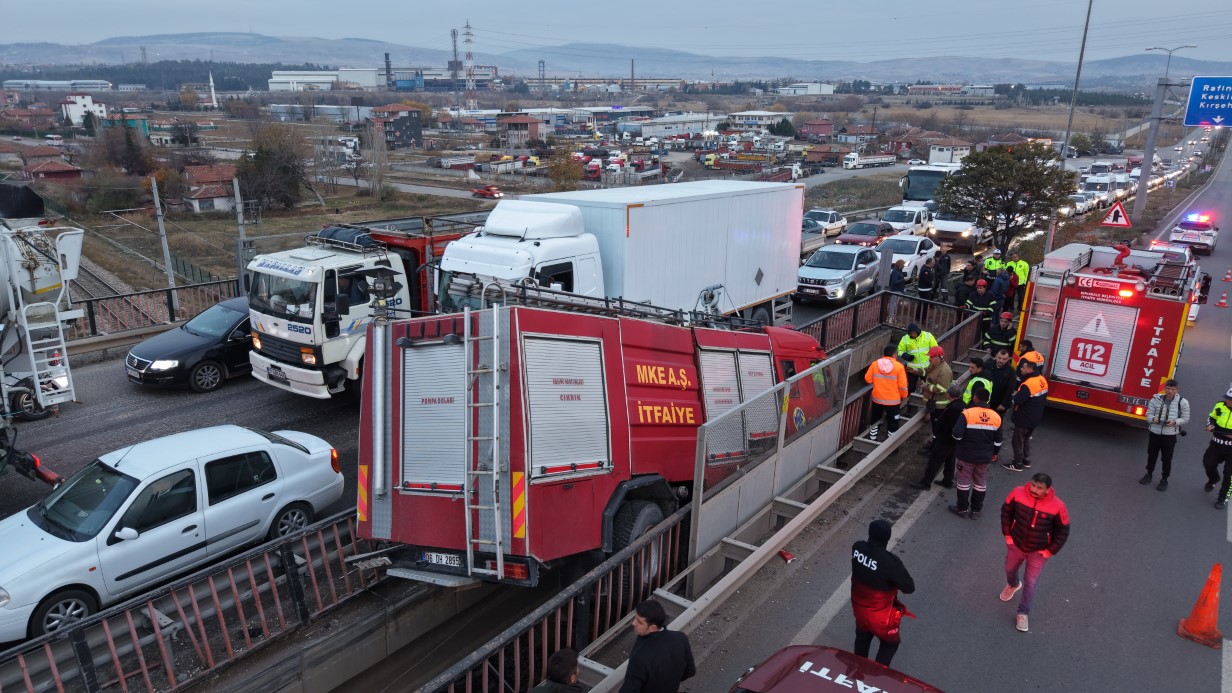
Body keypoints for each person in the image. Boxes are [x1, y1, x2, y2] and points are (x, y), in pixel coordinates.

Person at [1000, 473, 1070, 632]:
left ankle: (1023, 612)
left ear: (1047, 490)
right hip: (1016, 544)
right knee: (1009, 569)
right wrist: (1008, 536)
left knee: (1031, 583)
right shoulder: (1017, 493)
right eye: (1033, 485)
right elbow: (1006, 513)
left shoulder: (1058, 506)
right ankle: (1013, 584)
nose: (1034, 489)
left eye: (1039, 488)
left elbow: (1063, 531)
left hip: (1038, 552)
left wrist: (1049, 551)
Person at [850, 519, 915, 666]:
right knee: (890, 644)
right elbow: (909, 587)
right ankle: (876, 678)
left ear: (870, 533)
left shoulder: (857, 548)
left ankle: (856, 672)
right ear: (888, 538)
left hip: (859, 610)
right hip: (881, 616)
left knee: (862, 637)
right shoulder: (891, 563)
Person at [621, 599, 696, 693]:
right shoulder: (681, 638)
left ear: (653, 628)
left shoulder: (640, 657)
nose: (633, 623)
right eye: (635, 618)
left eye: (639, 622)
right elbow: (690, 671)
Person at [950, 387, 1002, 519]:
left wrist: (961, 443)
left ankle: (962, 509)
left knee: (963, 481)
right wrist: (994, 453)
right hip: (985, 458)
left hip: (966, 455)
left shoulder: (967, 413)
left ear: (975, 398)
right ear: (988, 399)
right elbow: (998, 441)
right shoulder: (996, 416)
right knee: (980, 483)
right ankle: (976, 511)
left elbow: (956, 435)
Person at [913, 382, 965, 490]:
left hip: (945, 440)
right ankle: (947, 481)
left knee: (934, 461)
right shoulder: (962, 405)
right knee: (950, 461)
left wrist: (938, 426)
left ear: (948, 395)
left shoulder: (953, 408)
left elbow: (948, 424)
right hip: (954, 441)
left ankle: (926, 483)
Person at [1140, 379, 1190, 490]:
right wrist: (1153, 419)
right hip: (1155, 433)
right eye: (1168, 388)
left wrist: (1175, 422)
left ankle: (1164, 479)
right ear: (1164, 388)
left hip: (1170, 435)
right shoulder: (1155, 399)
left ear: (1177, 390)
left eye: (1173, 389)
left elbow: (1185, 419)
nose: (1170, 391)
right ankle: (1148, 474)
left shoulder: (1183, 402)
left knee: (1167, 458)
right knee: (1151, 455)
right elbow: (1148, 414)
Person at [1003, 357, 1048, 472]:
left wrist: (1014, 395)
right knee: (1026, 439)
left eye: (1023, 367)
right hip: (1035, 417)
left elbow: (1018, 400)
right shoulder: (1042, 379)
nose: (1021, 369)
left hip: (1024, 417)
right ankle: (1026, 460)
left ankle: (1018, 463)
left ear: (1029, 369)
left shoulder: (1028, 384)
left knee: (1017, 440)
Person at [865, 344, 909, 442]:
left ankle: (872, 439)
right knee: (893, 422)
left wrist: (878, 382)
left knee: (875, 419)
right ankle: (890, 443)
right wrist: (904, 396)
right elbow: (902, 386)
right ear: (894, 355)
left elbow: (868, 379)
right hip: (893, 402)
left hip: (877, 399)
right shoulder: (899, 367)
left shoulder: (875, 364)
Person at [1203, 387, 1232, 510]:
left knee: (1229, 474)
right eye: (1227, 398)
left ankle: (1222, 497)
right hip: (1216, 443)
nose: (1228, 401)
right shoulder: (1220, 405)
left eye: (1231, 400)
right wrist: (1210, 425)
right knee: (1208, 463)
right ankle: (1213, 478)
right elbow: (1212, 417)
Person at [919, 346, 953, 454]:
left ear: (938, 357)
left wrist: (926, 386)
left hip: (939, 405)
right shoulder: (936, 365)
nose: (929, 359)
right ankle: (934, 446)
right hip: (934, 403)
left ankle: (936, 449)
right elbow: (927, 371)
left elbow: (942, 389)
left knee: (937, 428)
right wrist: (918, 371)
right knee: (935, 428)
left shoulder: (944, 371)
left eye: (931, 357)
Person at [897, 323, 937, 395]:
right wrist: (906, 356)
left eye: (914, 333)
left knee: (927, 386)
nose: (913, 335)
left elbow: (935, 348)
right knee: (911, 387)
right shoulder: (905, 338)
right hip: (912, 368)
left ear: (918, 331)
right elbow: (900, 351)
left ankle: (925, 400)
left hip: (926, 367)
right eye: (911, 334)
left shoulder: (928, 336)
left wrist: (932, 359)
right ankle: (910, 402)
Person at [985, 347, 1017, 417]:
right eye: (999, 358)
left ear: (1008, 359)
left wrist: (1003, 404)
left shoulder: (1011, 371)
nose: (1001, 361)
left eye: (1004, 359)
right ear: (996, 356)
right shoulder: (989, 366)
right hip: (986, 401)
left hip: (999, 403)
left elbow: (1010, 389)